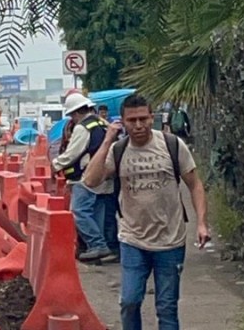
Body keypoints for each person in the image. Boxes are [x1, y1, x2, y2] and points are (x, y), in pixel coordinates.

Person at [83, 93, 209, 330]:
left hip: (170, 241)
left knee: (167, 308)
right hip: (132, 240)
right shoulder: (118, 150)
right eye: (132, 120)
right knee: (129, 302)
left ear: (153, 118)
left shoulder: (172, 145)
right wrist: (108, 139)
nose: (138, 125)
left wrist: (202, 223)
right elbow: (90, 180)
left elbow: (195, 184)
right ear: (122, 121)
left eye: (143, 118)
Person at [51, 93, 116, 262]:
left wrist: (55, 165)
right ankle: (107, 248)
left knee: (79, 210)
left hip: (86, 176)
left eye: (72, 115)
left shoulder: (83, 127)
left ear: (76, 112)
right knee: (98, 213)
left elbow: (73, 153)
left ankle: (97, 245)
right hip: (105, 175)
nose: (72, 118)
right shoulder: (102, 123)